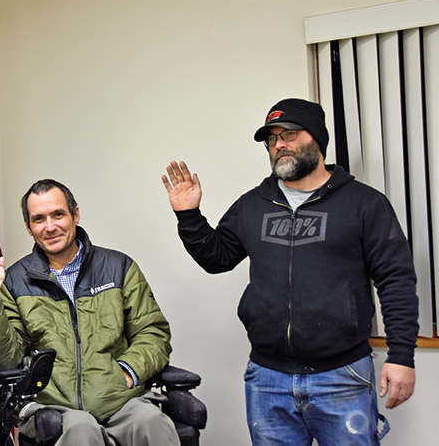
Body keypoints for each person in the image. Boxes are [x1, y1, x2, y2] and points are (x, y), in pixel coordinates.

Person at [162, 98, 419, 445]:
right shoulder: (253, 204)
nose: (279, 144)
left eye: (290, 134)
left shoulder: (364, 204)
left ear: (317, 139)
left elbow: (396, 280)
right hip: (267, 379)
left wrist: (401, 355)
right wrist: (189, 216)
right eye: (272, 138)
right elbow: (217, 258)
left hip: (342, 376)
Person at [0, 179, 179, 446]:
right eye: (38, 219)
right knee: (80, 428)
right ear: (29, 227)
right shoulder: (14, 282)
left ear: (75, 215)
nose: (50, 227)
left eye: (58, 214)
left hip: (121, 399)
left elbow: (152, 332)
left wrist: (126, 372)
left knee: (151, 421)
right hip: (53, 405)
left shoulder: (119, 267)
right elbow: (6, 361)